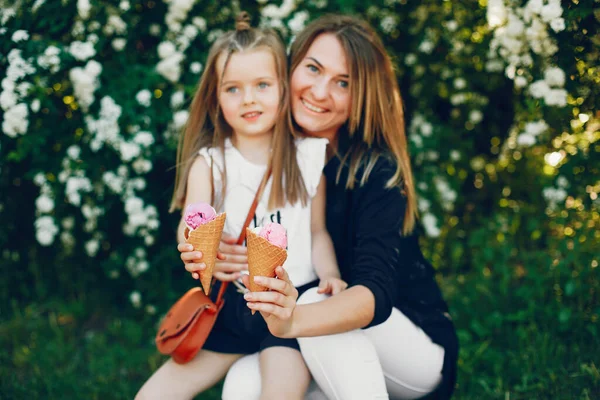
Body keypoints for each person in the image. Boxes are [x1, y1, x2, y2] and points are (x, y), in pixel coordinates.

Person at [205, 14, 459, 400]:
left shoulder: (376, 171)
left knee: (316, 301)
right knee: (243, 382)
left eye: (343, 83)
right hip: (325, 343)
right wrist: (215, 253)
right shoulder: (259, 153)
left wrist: (291, 320)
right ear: (287, 69)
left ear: (361, 98)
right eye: (313, 69)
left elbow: (374, 294)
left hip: (409, 348)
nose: (320, 92)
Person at [136, 13, 346, 400]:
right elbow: (191, 220)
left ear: (283, 89)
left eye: (262, 85)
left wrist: (330, 274)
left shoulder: (307, 156)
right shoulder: (212, 163)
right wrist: (200, 249)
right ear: (216, 97)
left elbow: (317, 232)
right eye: (233, 89)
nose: (249, 98)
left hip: (288, 305)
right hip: (231, 306)